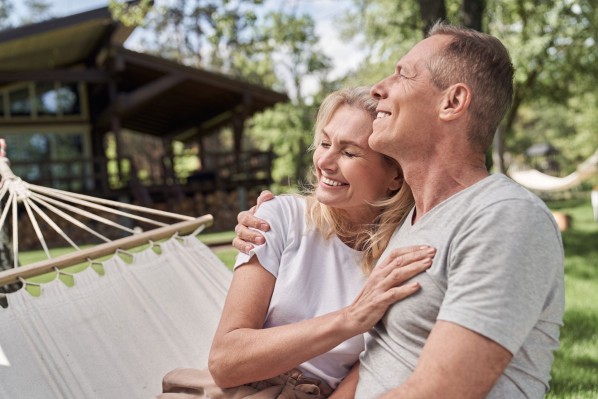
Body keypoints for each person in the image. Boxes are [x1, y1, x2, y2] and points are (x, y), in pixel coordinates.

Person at [234, 22, 565, 399]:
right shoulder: (409, 224)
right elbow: (379, 355)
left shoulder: (504, 218)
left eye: (403, 74)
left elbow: (443, 392)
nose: (379, 88)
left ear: (452, 102)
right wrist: (275, 216)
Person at [159, 87, 435, 399]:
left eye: (348, 152)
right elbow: (225, 361)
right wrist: (351, 319)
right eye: (325, 143)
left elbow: (378, 364)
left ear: (395, 176)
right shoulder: (278, 219)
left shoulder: (405, 255)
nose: (325, 161)